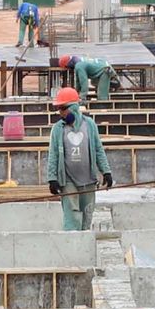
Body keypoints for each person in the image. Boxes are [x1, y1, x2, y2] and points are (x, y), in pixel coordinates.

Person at [46, 87, 112, 231]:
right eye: (59, 109)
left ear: (74, 107)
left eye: (63, 108)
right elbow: (53, 154)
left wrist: (106, 171)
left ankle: (84, 242)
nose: (60, 112)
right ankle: (72, 243)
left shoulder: (89, 125)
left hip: (88, 180)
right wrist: (52, 178)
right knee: (72, 218)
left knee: (87, 216)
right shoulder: (58, 129)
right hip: (68, 181)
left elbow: (98, 149)